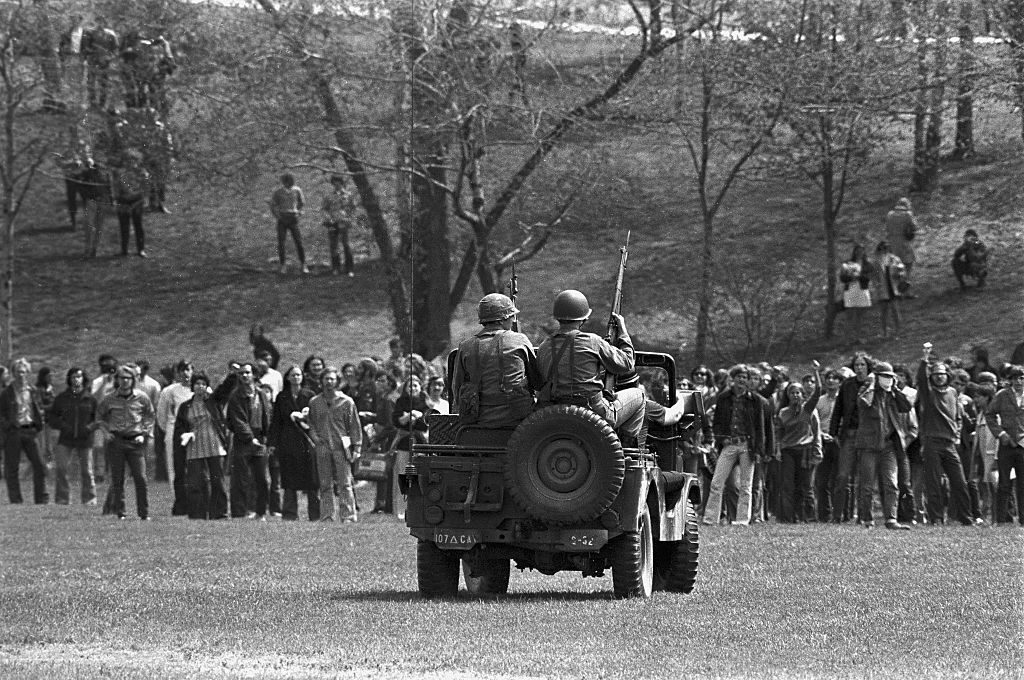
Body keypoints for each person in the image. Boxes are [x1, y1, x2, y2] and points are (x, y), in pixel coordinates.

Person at [535, 290, 645, 444]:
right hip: (594, 414)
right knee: (639, 396)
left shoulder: (543, 347)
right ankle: (625, 447)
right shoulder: (592, 341)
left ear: (558, 317)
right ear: (584, 318)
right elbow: (626, 363)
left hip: (555, 413)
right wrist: (623, 332)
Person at [451, 293, 541, 428]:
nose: (513, 321)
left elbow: (457, 388)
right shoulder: (519, 340)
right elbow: (537, 382)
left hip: (478, 420)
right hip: (518, 420)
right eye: (512, 316)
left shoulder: (465, 346)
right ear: (502, 319)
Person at [703, 365, 773, 526]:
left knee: (746, 485)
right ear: (732, 379)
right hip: (729, 444)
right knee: (717, 482)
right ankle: (710, 518)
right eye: (739, 377)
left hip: (747, 444)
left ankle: (742, 520)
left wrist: (759, 449)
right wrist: (721, 439)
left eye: (745, 377)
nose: (741, 380)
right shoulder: (723, 397)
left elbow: (760, 427)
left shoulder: (755, 400)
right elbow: (718, 422)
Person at [917, 346, 976, 526]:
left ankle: (966, 517)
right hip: (932, 442)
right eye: (935, 374)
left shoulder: (952, 392)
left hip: (950, 443)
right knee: (934, 483)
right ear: (932, 377)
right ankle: (936, 517)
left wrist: (957, 434)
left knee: (960, 482)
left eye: (942, 374)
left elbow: (958, 416)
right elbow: (921, 379)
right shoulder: (928, 393)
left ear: (947, 376)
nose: (939, 376)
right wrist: (925, 360)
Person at [853, 361, 913, 530]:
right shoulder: (867, 391)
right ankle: (867, 519)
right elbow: (863, 403)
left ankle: (891, 519)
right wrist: (871, 385)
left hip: (889, 445)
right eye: (884, 377)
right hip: (869, 445)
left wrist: (895, 389)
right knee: (867, 485)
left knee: (891, 483)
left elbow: (907, 406)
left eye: (890, 377)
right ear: (876, 377)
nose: (888, 380)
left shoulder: (893, 395)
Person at [96, 366, 156, 520]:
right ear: (117, 379)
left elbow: (150, 416)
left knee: (141, 478)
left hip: (135, 441)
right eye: (122, 378)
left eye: (128, 378)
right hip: (116, 441)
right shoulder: (110, 398)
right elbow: (99, 417)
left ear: (133, 380)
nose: (125, 381)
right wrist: (106, 432)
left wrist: (144, 433)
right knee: (118, 478)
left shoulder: (141, 397)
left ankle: (144, 513)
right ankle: (120, 512)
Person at [307, 367, 362, 522]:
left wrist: (357, 446)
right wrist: (315, 438)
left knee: (345, 483)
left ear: (337, 381)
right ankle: (327, 516)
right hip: (323, 446)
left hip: (341, 447)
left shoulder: (347, 402)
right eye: (326, 379)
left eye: (332, 379)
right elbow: (310, 423)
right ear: (321, 381)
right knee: (325, 484)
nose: (329, 382)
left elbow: (354, 425)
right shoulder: (315, 402)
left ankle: (348, 516)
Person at [172, 372, 229, 520]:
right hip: (194, 445)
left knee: (217, 480)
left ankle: (219, 513)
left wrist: (233, 375)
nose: (200, 386)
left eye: (203, 384)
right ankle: (197, 514)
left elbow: (225, 389)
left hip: (214, 443)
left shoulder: (213, 401)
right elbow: (180, 426)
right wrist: (184, 434)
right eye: (197, 383)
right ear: (193, 386)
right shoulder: (185, 406)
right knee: (195, 482)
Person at [268, 366, 319, 521]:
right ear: (288, 378)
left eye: (298, 375)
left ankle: (315, 514)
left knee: (312, 479)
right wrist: (272, 443)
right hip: (288, 442)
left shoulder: (310, 396)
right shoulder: (282, 397)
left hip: (307, 442)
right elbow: (276, 422)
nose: (296, 377)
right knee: (289, 479)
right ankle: (289, 514)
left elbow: (317, 418)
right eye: (293, 375)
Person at [828, 353, 874, 523]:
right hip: (849, 434)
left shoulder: (874, 384)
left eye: (862, 365)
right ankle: (837, 516)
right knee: (842, 476)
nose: (859, 368)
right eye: (856, 365)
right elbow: (838, 409)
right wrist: (833, 433)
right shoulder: (847, 385)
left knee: (864, 479)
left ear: (868, 367)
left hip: (868, 435)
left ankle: (862, 516)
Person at [776, 362, 823, 523]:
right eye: (792, 392)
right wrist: (777, 449)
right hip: (788, 450)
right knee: (788, 485)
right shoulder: (783, 413)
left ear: (803, 395)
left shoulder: (807, 409)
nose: (795, 395)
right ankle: (789, 517)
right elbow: (779, 433)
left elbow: (818, 391)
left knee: (806, 485)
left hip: (805, 450)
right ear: (788, 395)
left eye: (798, 392)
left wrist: (816, 372)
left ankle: (808, 517)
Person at [226, 363, 272, 520]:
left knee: (262, 478)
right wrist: (249, 438)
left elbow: (267, 417)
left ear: (254, 375)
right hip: (243, 440)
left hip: (260, 439)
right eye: (241, 374)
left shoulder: (261, 394)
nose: (244, 376)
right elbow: (238, 420)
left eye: (247, 373)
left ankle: (260, 511)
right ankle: (240, 512)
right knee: (241, 478)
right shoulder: (235, 396)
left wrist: (267, 439)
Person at [1, 358, 48, 505]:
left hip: (30, 430)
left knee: (39, 465)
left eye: (23, 372)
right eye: (17, 372)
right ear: (13, 373)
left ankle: (41, 499)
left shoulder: (33, 391)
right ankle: (16, 500)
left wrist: (39, 423)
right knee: (12, 467)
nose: (20, 375)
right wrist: (8, 425)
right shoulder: (6, 393)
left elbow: (39, 409)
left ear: (27, 372)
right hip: (14, 432)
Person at [48, 367, 98, 505]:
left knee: (87, 471)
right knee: (61, 468)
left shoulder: (90, 399)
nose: (76, 379)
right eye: (73, 377)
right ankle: (62, 499)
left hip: (85, 438)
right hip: (66, 438)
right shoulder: (61, 398)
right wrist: (63, 426)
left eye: (79, 376)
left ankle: (90, 499)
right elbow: (52, 417)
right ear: (69, 379)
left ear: (83, 379)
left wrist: (88, 428)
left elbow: (98, 419)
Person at [984, 365, 1024, 525]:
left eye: (1022, 378)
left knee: (1023, 484)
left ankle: (1022, 520)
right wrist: (1000, 434)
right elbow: (990, 414)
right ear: (1010, 380)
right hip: (1006, 443)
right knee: (1004, 484)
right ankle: (1000, 520)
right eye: (1015, 379)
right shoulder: (1002, 395)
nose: (1019, 382)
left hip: (1023, 445)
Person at [156, 361, 193, 515]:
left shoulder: (200, 388)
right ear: (178, 373)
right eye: (182, 370)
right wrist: (170, 430)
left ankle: (195, 499)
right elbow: (161, 415)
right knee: (175, 467)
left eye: (189, 369)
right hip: (174, 431)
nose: (186, 373)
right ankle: (179, 500)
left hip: (195, 430)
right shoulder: (169, 391)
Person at [391, 375, 429, 519]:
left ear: (420, 388)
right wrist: (409, 416)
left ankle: (417, 508)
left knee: (419, 475)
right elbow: (397, 420)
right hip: (404, 443)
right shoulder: (401, 402)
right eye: (410, 386)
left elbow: (427, 421)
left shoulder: (425, 402)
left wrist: (417, 416)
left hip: (419, 444)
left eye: (415, 386)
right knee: (403, 474)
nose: (412, 388)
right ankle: (401, 510)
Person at [813, 367, 846, 522]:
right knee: (822, 480)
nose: (830, 380)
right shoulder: (819, 401)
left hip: (841, 442)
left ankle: (842, 514)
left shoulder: (845, 400)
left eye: (834, 378)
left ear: (840, 382)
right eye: (828, 378)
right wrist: (820, 435)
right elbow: (813, 422)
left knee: (841, 479)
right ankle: (824, 515)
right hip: (823, 442)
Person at [112, 149, 150, 257]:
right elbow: (116, 187)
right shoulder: (120, 174)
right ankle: (124, 250)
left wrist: (144, 199)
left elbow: (146, 188)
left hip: (137, 202)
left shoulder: (142, 173)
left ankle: (141, 249)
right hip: (123, 202)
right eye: (128, 160)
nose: (130, 163)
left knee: (138, 226)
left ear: (137, 161)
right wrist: (116, 199)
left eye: (133, 160)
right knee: (124, 226)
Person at [269, 173, 308, 274]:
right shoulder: (278, 192)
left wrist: (298, 211)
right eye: (286, 182)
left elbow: (302, 202)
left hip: (293, 217)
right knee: (281, 242)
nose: (288, 184)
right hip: (282, 217)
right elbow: (273, 205)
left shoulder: (297, 190)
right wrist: (277, 216)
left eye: (290, 182)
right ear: (284, 182)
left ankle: (303, 264)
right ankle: (283, 265)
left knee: (298, 241)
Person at [322, 174, 358, 276]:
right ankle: (336, 268)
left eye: (338, 182)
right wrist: (328, 218)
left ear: (342, 183)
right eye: (334, 183)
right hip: (332, 223)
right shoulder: (328, 196)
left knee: (346, 245)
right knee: (334, 246)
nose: (336, 184)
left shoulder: (349, 195)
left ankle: (349, 269)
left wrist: (350, 219)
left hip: (344, 223)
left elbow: (353, 209)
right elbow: (324, 209)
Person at [838, 244, 874, 344]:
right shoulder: (848, 263)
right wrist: (851, 277)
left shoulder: (867, 264)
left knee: (860, 316)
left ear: (864, 252)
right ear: (854, 252)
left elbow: (869, 277)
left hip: (862, 290)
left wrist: (859, 276)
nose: (859, 252)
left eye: (862, 250)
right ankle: (846, 339)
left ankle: (857, 338)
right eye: (857, 250)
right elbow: (842, 278)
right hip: (850, 290)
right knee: (849, 316)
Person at [81, 16, 118, 109]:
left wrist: (109, 57)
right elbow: (85, 47)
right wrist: (89, 56)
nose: (100, 23)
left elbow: (115, 48)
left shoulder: (110, 34)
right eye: (98, 21)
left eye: (101, 21)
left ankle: (102, 103)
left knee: (104, 82)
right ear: (95, 22)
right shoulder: (89, 32)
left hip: (105, 61)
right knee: (91, 82)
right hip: (93, 60)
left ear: (104, 22)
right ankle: (92, 103)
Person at [872, 241, 906, 339]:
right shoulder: (876, 261)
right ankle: (884, 332)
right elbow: (874, 276)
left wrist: (900, 276)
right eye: (883, 248)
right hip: (882, 288)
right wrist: (876, 286)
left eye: (886, 247)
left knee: (895, 310)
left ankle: (898, 331)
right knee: (883, 312)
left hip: (893, 287)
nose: (885, 250)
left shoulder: (894, 259)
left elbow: (902, 271)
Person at [885, 197, 917, 296]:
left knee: (895, 267)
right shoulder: (908, 215)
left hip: (892, 242)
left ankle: (895, 291)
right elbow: (914, 226)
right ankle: (906, 291)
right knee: (908, 265)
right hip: (904, 242)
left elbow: (887, 228)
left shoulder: (890, 214)